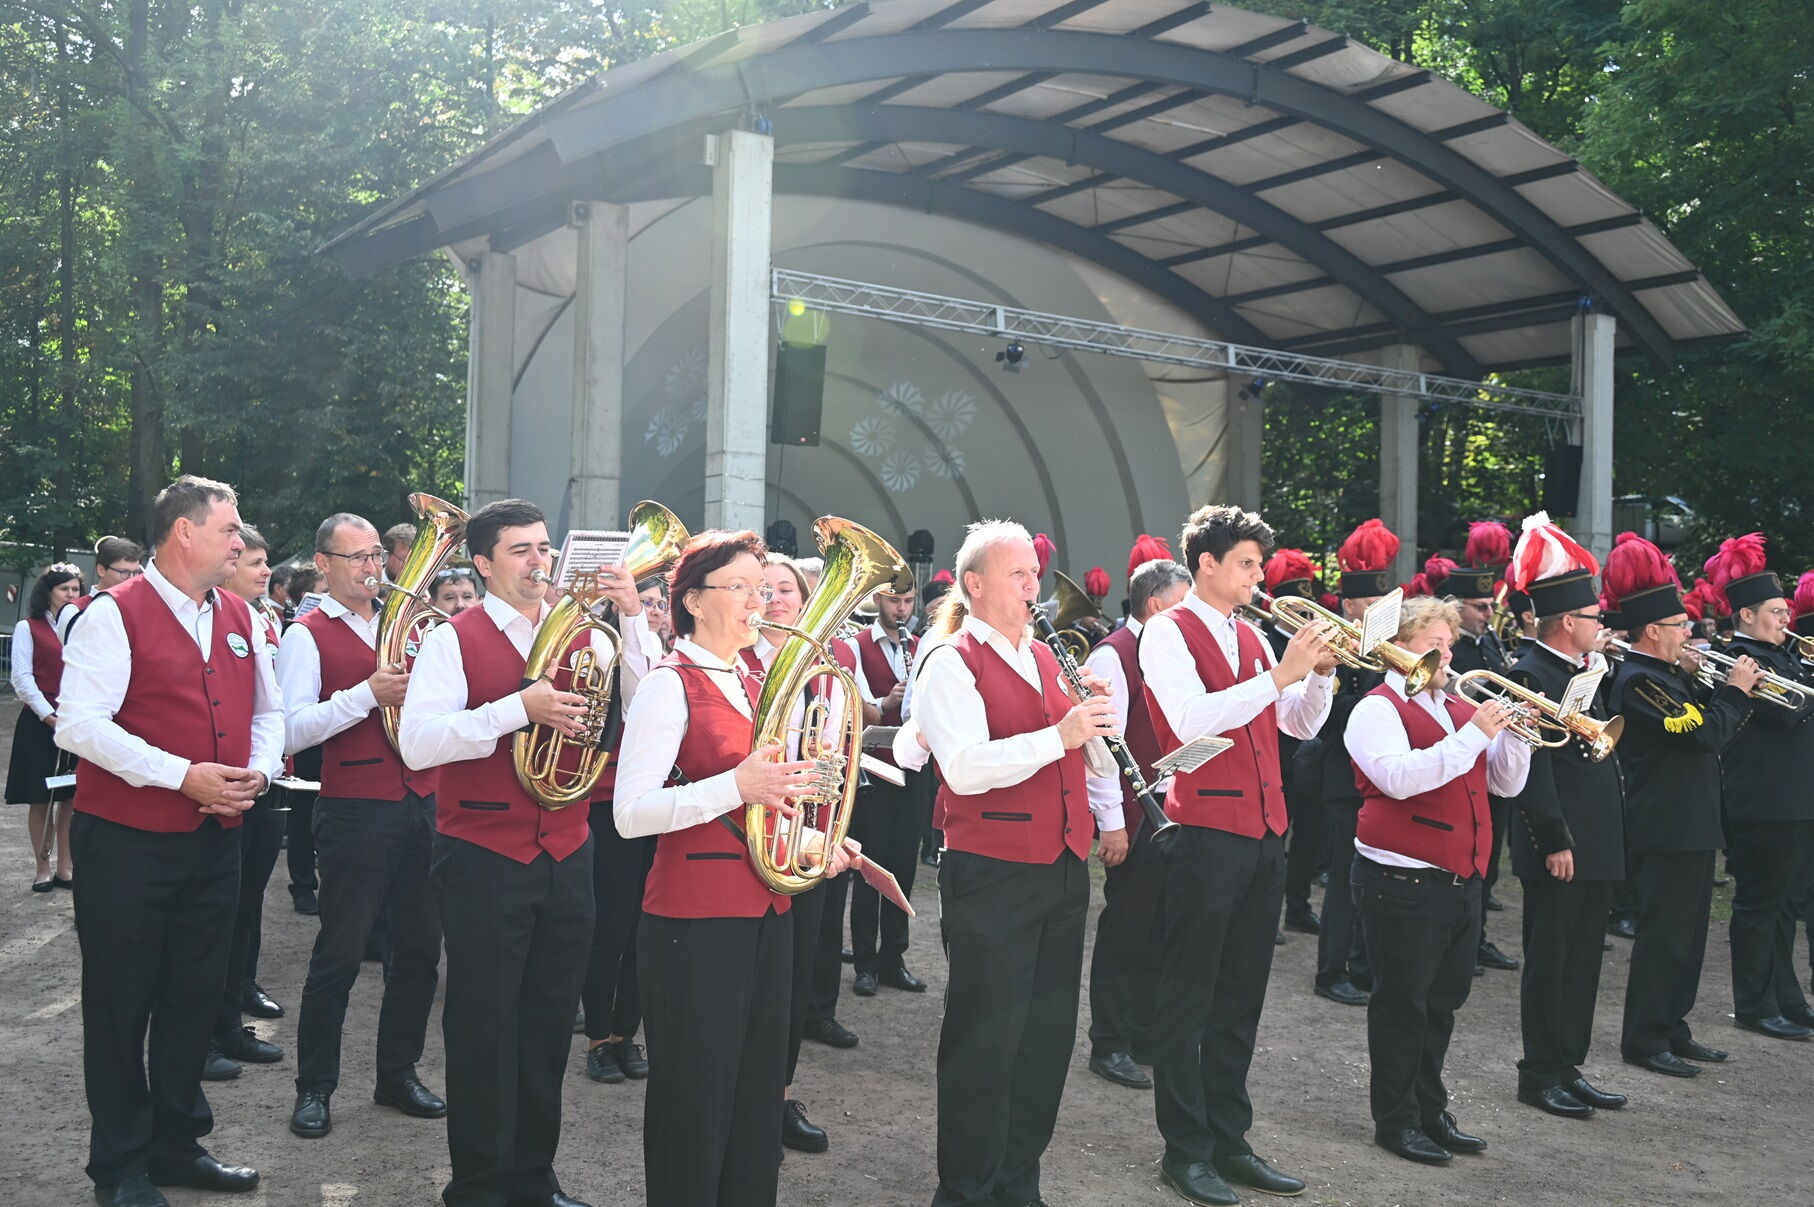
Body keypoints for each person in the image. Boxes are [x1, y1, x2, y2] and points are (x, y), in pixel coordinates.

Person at [615, 528, 858, 1207]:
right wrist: (738, 787)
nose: (761, 601)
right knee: (694, 1107)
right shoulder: (670, 683)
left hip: (766, 909)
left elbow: (764, 791)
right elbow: (630, 812)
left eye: (763, 587)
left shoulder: (758, 677)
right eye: (744, 587)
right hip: (692, 921)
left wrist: (816, 836)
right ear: (693, 600)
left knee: (754, 1105)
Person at [57, 474, 282, 1207]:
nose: (241, 541)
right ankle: (119, 1165)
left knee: (194, 995)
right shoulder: (112, 614)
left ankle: (177, 1143)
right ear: (184, 532)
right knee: (122, 1003)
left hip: (214, 840)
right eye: (230, 528)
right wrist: (183, 775)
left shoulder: (242, 615)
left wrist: (256, 767)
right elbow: (80, 725)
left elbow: (268, 711)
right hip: (126, 843)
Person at [399, 498, 620, 1207]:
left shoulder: (583, 635)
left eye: (545, 547)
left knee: (549, 1025)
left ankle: (533, 1177)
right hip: (483, 856)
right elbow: (419, 743)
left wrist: (634, 620)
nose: (539, 561)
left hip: (568, 851)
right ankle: (480, 1186)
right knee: (483, 1027)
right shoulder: (451, 639)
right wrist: (517, 709)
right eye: (521, 550)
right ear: (485, 564)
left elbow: (641, 711)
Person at [909, 519, 1116, 1207]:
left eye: (1035, 572)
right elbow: (963, 769)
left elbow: (1080, 759)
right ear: (974, 585)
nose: (1036, 585)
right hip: (992, 868)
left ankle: (1016, 1184)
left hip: (1059, 865)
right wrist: (1058, 730)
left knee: (1045, 1039)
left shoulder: (1048, 652)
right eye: (1020, 574)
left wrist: (1094, 728)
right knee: (985, 1041)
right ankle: (965, 1190)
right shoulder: (949, 659)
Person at [1138, 504, 1334, 1206]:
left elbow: (1301, 726)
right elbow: (1189, 720)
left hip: (1262, 834)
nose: (1260, 576)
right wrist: (1282, 674)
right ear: (1208, 564)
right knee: (1188, 995)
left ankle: (1229, 1138)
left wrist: (1318, 676)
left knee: (1240, 999)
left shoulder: (1252, 637)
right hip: (1204, 832)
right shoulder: (1166, 631)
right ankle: (1183, 1149)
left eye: (1260, 563)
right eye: (1248, 563)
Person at [279, 513, 450, 1141]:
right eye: (356, 558)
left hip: (424, 802)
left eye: (376, 556)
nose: (371, 568)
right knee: (341, 954)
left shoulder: (410, 626)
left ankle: (396, 1074)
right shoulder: (306, 634)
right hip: (355, 808)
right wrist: (364, 695)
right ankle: (315, 1087)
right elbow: (291, 732)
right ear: (323, 563)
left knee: (418, 954)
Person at [1346, 595, 1530, 1164]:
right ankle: (1395, 1119)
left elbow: (1505, 785)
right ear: (1398, 646)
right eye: (1434, 643)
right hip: (1401, 879)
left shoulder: (1455, 706)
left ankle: (1429, 1108)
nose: (1447, 655)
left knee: (1442, 1003)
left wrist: (1518, 734)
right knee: (1403, 1005)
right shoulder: (1374, 708)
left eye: (1449, 644)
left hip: (1460, 877)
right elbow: (1397, 780)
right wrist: (1475, 733)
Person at [1605, 533, 1759, 1078]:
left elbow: (1711, 735)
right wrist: (1736, 692)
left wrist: (1717, 692)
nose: (1689, 634)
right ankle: (1645, 1039)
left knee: (1690, 938)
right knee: (1663, 938)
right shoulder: (1639, 681)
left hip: (1694, 825)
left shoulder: (1669, 676)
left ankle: (1673, 1026)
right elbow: (1701, 735)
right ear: (1652, 630)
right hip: (1666, 827)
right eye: (1679, 627)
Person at [1499, 514, 1631, 1117]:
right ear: (1569, 621)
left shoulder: (1580, 671)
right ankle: (1539, 1071)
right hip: (1560, 841)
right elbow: (1533, 771)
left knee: (1581, 962)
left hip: (1594, 839)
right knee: (1551, 959)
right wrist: (1553, 837)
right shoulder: (1530, 673)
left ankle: (1568, 1063)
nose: (1601, 624)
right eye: (1595, 617)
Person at [754, 553, 857, 1153]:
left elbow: (836, 749)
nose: (775, 598)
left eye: (786, 588)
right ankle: (744, 1092)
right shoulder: (732, 662)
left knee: (794, 976)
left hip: (808, 837)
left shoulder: (828, 669)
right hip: (745, 833)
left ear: (806, 598)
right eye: (762, 588)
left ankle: (779, 1093)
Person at [1701, 534, 1814, 1039]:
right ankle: (1753, 1003)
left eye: (1786, 609)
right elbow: (1783, 713)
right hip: (1763, 803)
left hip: (1795, 799)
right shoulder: (1740, 661)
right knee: (1759, 905)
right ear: (1746, 615)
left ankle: (1785, 996)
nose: (1786, 617)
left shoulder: (1785, 657)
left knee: (1787, 905)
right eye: (1775, 610)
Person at [1084, 554, 1190, 1090]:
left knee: (1165, 927)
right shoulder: (1113, 654)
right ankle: (1110, 1040)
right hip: (1135, 812)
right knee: (1129, 927)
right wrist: (1111, 823)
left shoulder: (1170, 650)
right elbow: (1103, 748)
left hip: (1174, 806)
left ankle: (1145, 1030)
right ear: (1155, 604)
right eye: (1182, 603)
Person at [574, 569, 665, 1090]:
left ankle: (628, 1033)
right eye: (641, 603)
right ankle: (599, 1038)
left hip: (656, 802)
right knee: (610, 927)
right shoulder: (606, 650)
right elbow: (633, 699)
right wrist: (632, 623)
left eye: (656, 604)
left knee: (643, 926)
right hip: (605, 802)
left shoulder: (673, 653)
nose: (650, 610)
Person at [204, 524, 290, 1081]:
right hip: (219, 785)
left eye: (263, 561)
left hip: (262, 780)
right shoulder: (211, 618)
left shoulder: (264, 619)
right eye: (252, 561)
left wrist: (266, 766)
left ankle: (233, 1009)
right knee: (213, 915)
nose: (263, 570)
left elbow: (270, 707)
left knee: (247, 902)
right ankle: (206, 1029)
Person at [1311, 519, 1399, 1007]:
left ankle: (1364, 964)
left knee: (1373, 876)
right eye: (1369, 606)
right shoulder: (1335, 647)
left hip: (1381, 777)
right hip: (1343, 777)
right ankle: (1331, 970)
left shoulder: (1389, 647)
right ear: (1349, 606)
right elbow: (1328, 717)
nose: (1377, 614)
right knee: (1345, 881)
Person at [846, 582, 930, 999]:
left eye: (908, 601)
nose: (902, 608)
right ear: (877, 600)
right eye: (894, 600)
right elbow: (858, 705)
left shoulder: (922, 644)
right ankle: (864, 962)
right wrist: (888, 696)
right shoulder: (858, 645)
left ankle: (894, 956)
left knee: (904, 864)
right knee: (869, 864)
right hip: (875, 766)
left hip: (914, 768)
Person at [1445, 524, 1521, 976]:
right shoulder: (1452, 652)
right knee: (1468, 866)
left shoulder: (1488, 641)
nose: (1488, 613)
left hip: (1496, 762)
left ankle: (1478, 938)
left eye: (1491, 605)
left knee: (1490, 864)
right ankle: (1464, 943)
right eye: (1480, 607)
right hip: (1468, 760)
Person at [1263, 547, 1328, 939]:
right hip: (1281, 756)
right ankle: (1269, 914)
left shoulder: (1319, 639)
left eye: (1309, 606)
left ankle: (1298, 906)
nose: (1307, 614)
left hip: (1315, 755)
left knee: (1310, 838)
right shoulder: (1267, 639)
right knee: (1276, 842)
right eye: (1298, 606)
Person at [9, 563, 84, 890]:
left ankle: (65, 867)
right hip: (41, 723)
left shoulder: (84, 625)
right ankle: (42, 866)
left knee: (69, 797)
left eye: (75, 589)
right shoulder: (29, 627)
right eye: (64, 589)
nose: (71, 595)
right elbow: (22, 679)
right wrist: (48, 716)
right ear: (48, 592)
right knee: (41, 797)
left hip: (76, 721)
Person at [58, 536, 142, 637]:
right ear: (101, 570)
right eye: (124, 572)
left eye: (136, 572)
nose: (132, 579)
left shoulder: (139, 609)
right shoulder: (74, 611)